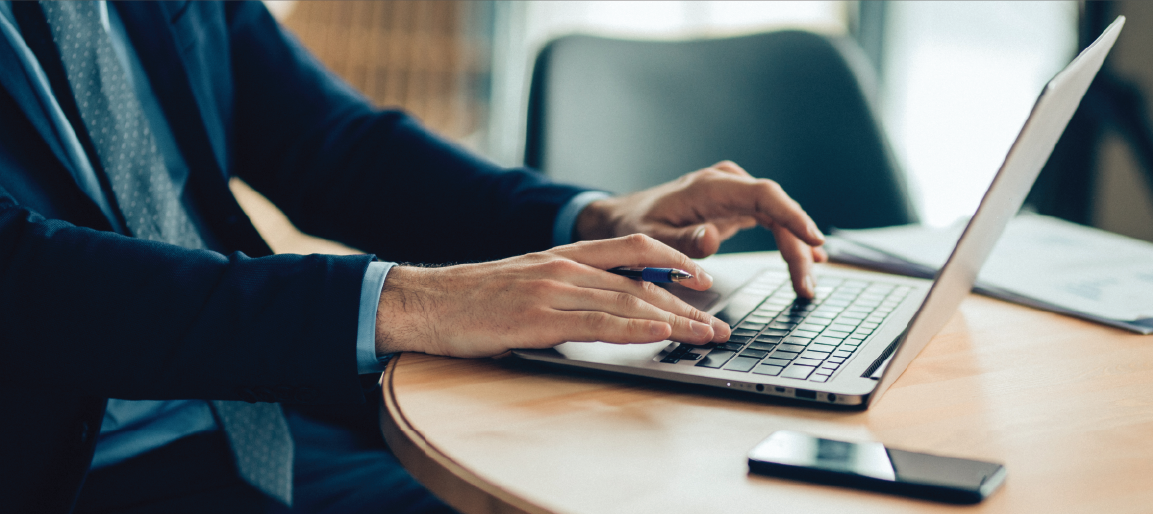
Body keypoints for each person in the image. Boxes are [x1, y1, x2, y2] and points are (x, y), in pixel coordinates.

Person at [0, 2, 826, 513]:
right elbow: (29, 281)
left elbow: (324, 143)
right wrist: (418, 303)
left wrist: (582, 217)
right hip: (75, 472)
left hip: (270, 419)